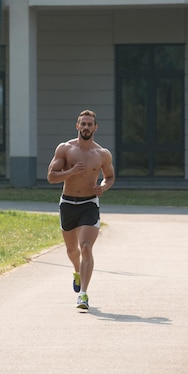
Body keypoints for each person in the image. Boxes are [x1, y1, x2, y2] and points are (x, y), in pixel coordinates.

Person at [47, 109, 115, 309]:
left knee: (86, 247)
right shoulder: (65, 149)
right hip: (68, 203)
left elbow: (110, 176)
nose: (86, 127)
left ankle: (83, 294)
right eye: (82, 124)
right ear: (77, 126)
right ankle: (77, 269)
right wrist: (71, 171)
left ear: (95, 127)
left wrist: (103, 186)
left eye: (89, 124)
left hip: (89, 204)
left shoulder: (102, 154)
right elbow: (51, 177)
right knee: (71, 250)